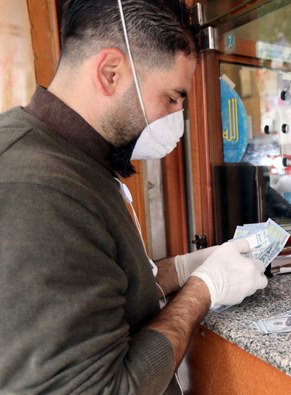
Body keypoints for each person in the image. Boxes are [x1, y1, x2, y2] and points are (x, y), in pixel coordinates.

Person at [0, 0, 267, 393]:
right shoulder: (35, 187)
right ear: (111, 72)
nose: (177, 115)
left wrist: (181, 268)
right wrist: (203, 290)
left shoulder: (73, 160)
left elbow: (97, 283)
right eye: (172, 97)